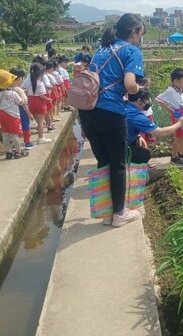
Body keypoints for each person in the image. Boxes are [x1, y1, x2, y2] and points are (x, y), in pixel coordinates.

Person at [78, 13, 146, 228]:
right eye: (140, 34)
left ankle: (108, 212)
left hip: (88, 111)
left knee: (104, 161)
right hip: (110, 111)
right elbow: (129, 84)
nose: (140, 39)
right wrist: (140, 87)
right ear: (133, 32)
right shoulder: (131, 50)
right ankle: (119, 213)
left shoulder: (102, 49)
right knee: (117, 164)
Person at [126, 88, 183, 164]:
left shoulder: (125, 106)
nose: (149, 103)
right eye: (147, 100)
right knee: (144, 155)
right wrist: (180, 123)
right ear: (139, 101)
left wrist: (138, 136)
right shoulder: (136, 116)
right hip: (119, 147)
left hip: (112, 142)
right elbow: (160, 132)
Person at [155, 67, 183, 166]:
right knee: (178, 136)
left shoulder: (178, 90)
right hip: (178, 115)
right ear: (176, 81)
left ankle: (182, 152)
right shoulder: (170, 91)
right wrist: (170, 111)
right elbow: (158, 99)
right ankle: (174, 156)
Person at [0, 70, 29, 159]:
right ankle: (19, 152)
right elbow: (21, 102)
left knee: (5, 134)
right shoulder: (12, 93)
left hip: (2, 114)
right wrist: (21, 94)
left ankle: (8, 152)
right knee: (14, 134)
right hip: (12, 116)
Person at [23, 62, 53, 144]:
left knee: (35, 119)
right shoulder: (40, 83)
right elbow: (42, 96)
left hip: (30, 101)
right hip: (39, 102)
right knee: (40, 122)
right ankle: (41, 137)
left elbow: (24, 89)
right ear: (40, 74)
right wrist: (48, 100)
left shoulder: (27, 80)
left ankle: (35, 135)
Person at [10, 68, 36, 149]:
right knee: (25, 125)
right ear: (19, 78)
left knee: (15, 127)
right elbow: (24, 103)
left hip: (11, 111)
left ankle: (15, 144)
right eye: (23, 78)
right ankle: (27, 142)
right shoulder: (18, 90)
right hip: (22, 110)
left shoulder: (8, 88)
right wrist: (29, 114)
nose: (23, 80)